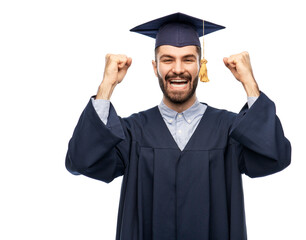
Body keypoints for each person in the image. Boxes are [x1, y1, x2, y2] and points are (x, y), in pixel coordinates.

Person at [66, 12, 291, 240]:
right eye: (167, 59)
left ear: (200, 65)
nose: (178, 69)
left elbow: (275, 156)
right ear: (155, 67)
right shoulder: (132, 133)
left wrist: (249, 83)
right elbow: (80, 160)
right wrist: (106, 86)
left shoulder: (230, 131)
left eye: (188, 59)